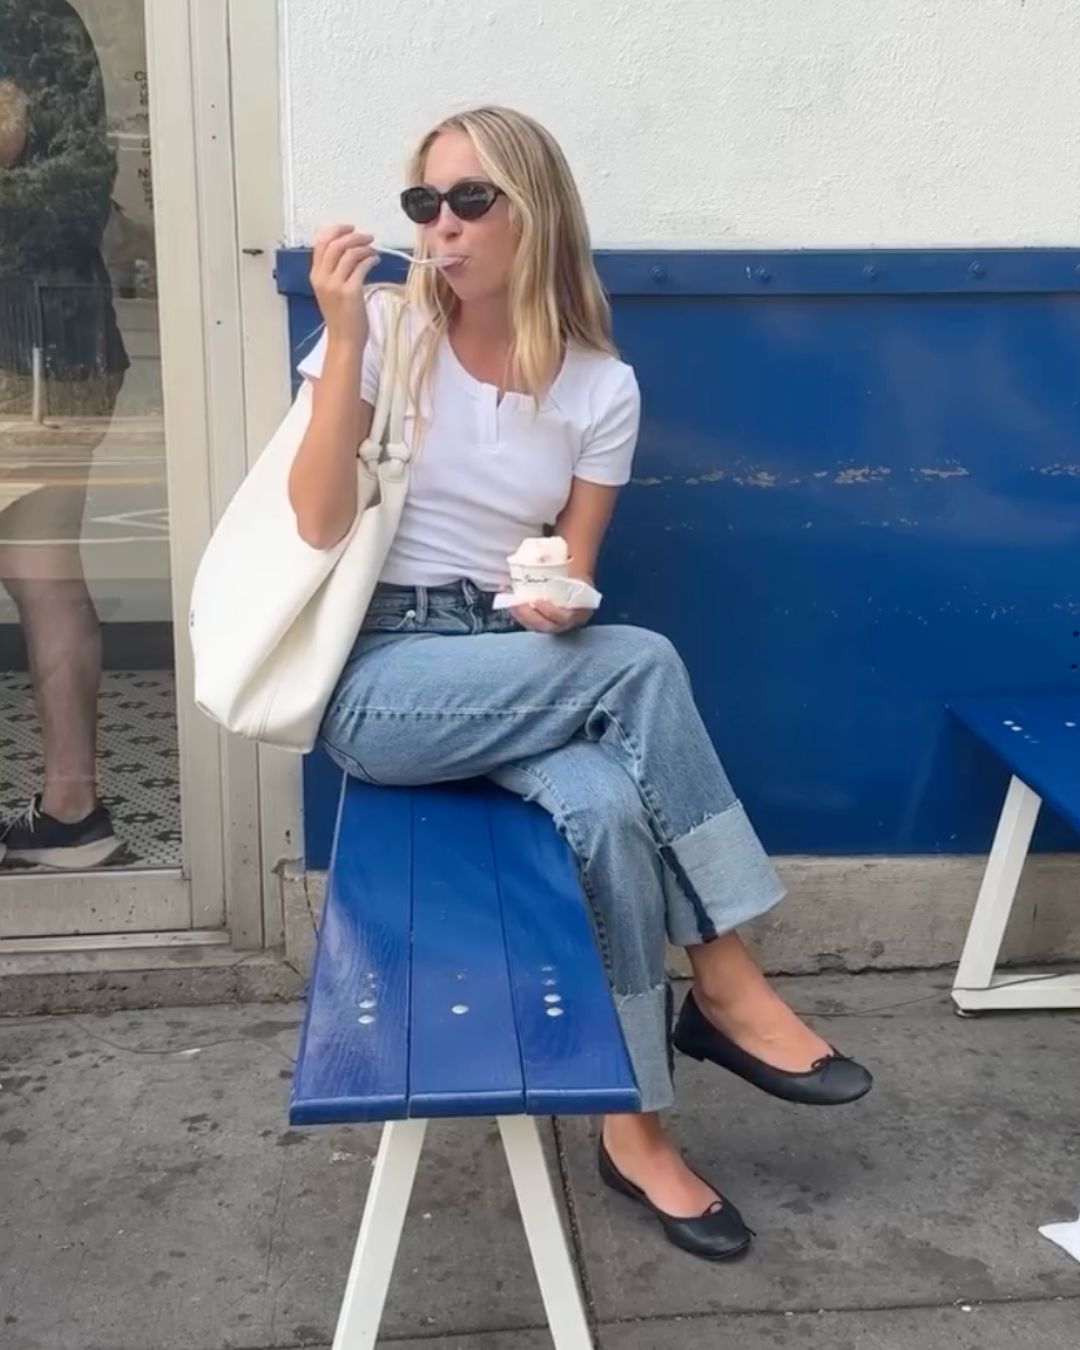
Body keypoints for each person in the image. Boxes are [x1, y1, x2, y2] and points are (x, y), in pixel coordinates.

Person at [291, 106, 872, 1261]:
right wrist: (346, 338)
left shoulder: (601, 388)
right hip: (383, 679)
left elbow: (573, 577)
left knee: (606, 806)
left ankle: (633, 1124)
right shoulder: (389, 336)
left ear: (533, 210)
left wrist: (555, 602)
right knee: (645, 661)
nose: (441, 227)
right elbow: (314, 525)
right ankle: (725, 970)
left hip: (512, 660)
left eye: (468, 201)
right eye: (424, 202)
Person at [0, 0, 126, 868]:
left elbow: (71, 188)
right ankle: (73, 814)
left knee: (42, 574)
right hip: (48, 342)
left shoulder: (30, 21)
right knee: (42, 573)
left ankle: (74, 810)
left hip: (30, 350)